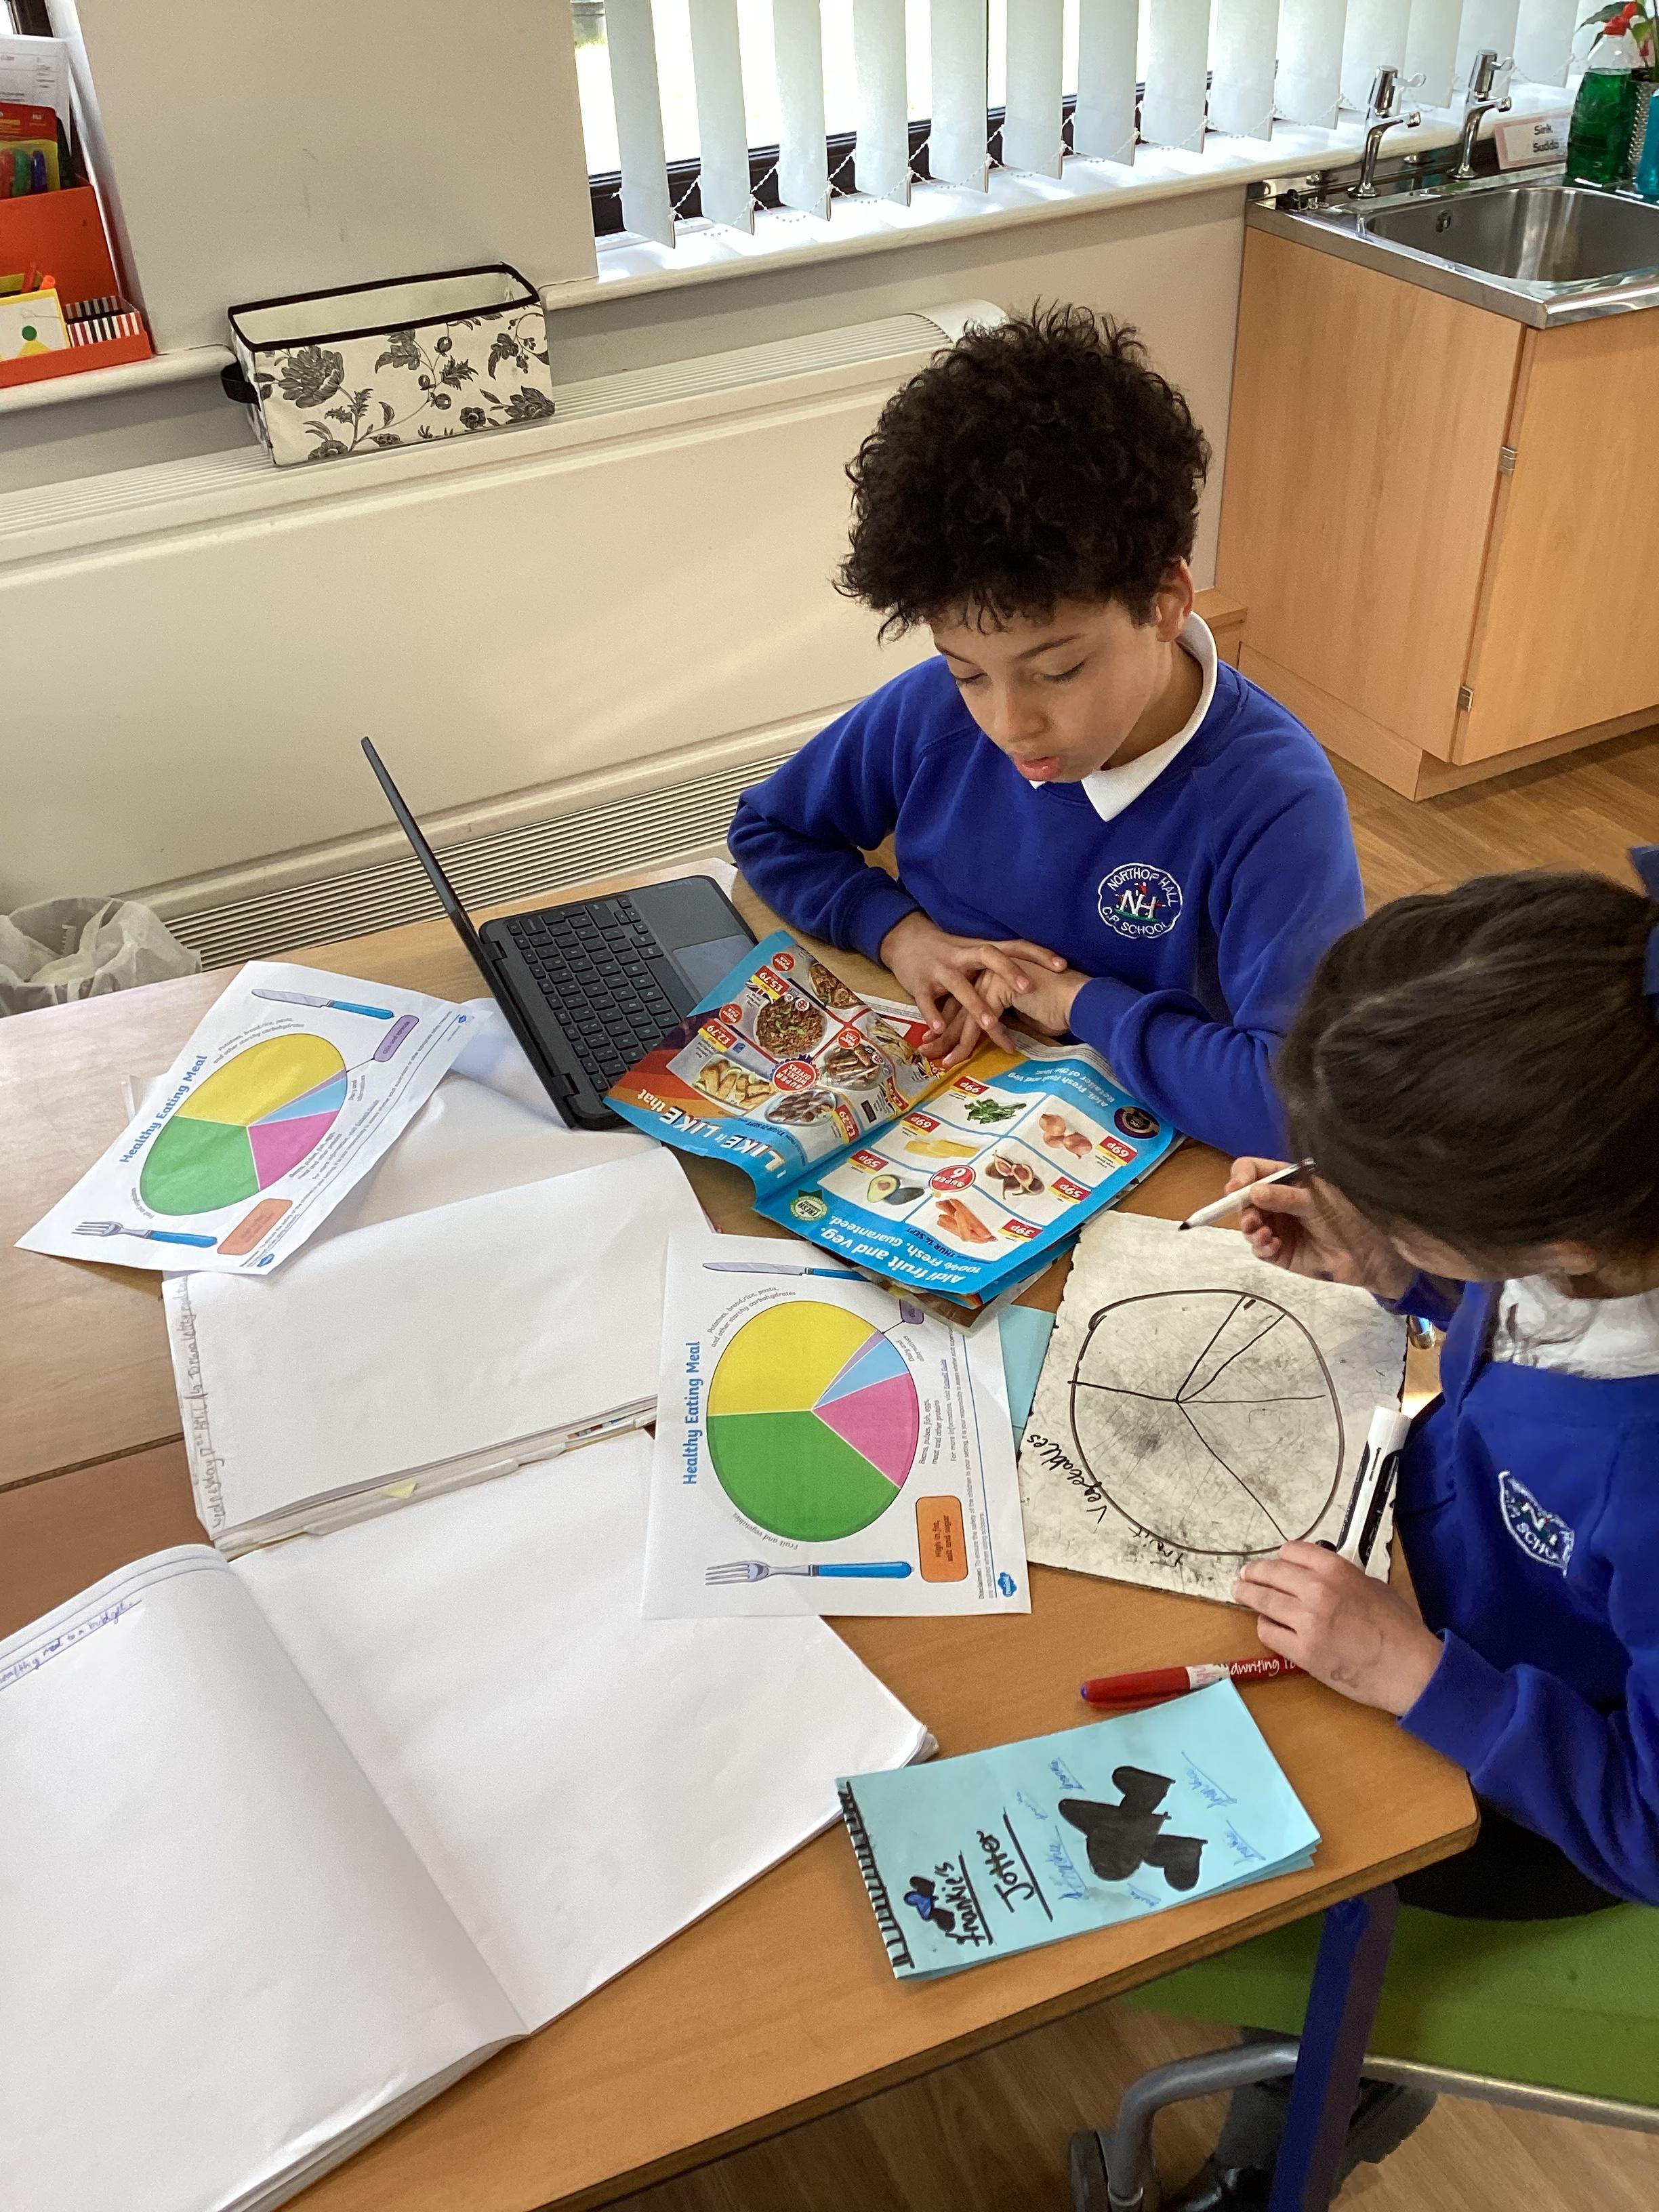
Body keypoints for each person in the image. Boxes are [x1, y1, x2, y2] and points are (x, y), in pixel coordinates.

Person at [1171, 859, 1659, 2209]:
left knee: (1210, 1808)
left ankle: (1323, 2095)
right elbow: (1530, 1354)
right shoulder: (1607, 1222)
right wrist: (1400, 1269)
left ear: (1553, 1242)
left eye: (1380, 1195)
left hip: (1532, 1795)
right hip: (1433, 1588)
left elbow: (1649, 1824)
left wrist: (1414, 1673)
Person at [726, 306, 1364, 1158]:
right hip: (953, 1112)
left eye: (1058, 671)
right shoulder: (932, 713)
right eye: (968, 672)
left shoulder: (1276, 801)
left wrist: (1073, 1002)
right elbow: (770, 831)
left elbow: (1298, 1105)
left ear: (1166, 602)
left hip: (1165, 1154)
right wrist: (903, 936)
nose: (1008, 724)